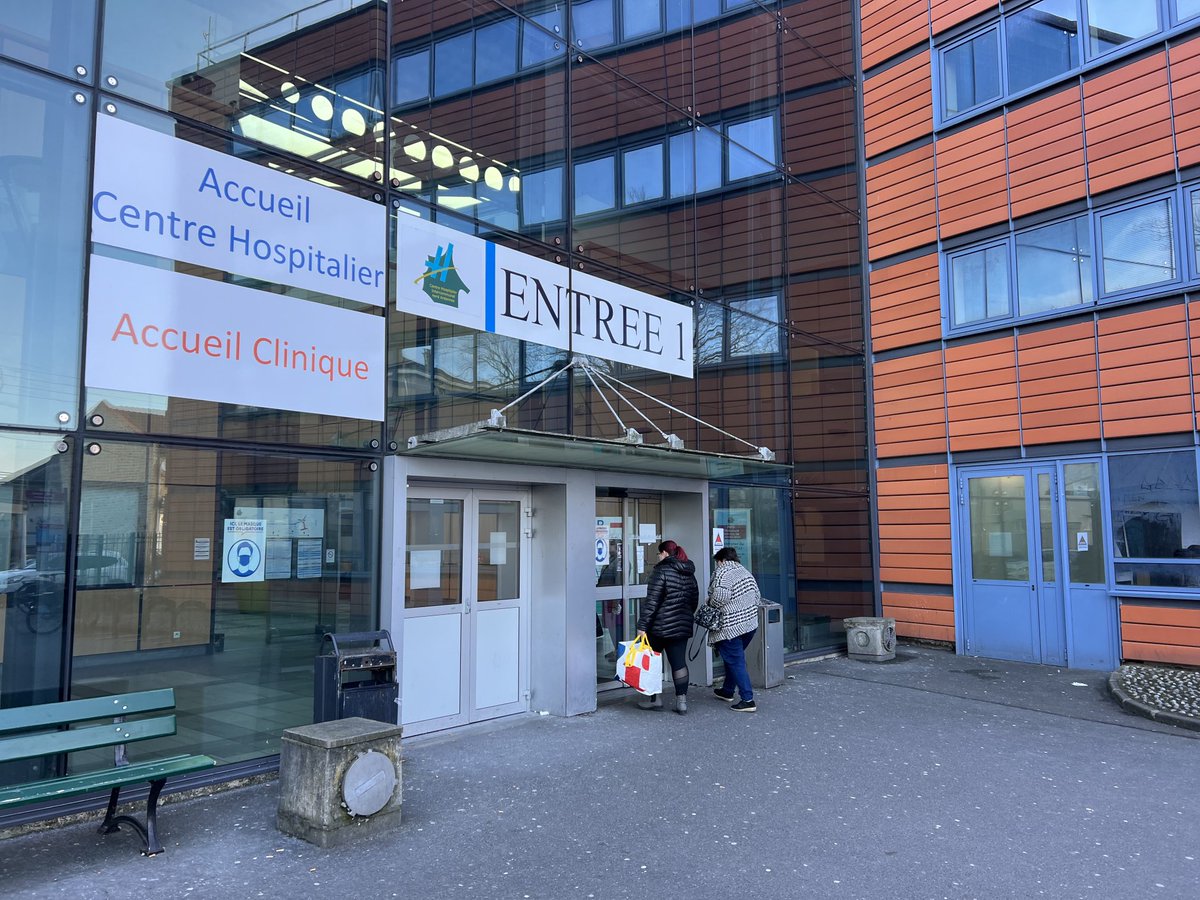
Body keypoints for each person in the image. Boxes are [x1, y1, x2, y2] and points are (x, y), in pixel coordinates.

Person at [634, 539, 699, 714]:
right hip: (681, 626)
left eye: (658, 553)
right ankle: (682, 702)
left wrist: (642, 626)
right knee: (679, 663)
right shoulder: (689, 571)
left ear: (664, 553)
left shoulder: (661, 571)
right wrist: (684, 616)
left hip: (659, 627)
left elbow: (652, 602)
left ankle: (655, 700)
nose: (658, 556)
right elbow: (694, 600)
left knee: (653, 663)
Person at [702, 546, 761, 712]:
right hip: (749, 624)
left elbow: (720, 597)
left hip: (730, 626)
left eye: (717, 562)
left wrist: (709, 602)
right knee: (733, 658)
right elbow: (757, 596)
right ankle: (727, 691)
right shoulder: (745, 572)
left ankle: (747, 699)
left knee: (736, 661)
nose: (717, 565)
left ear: (721, 560)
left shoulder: (723, 572)